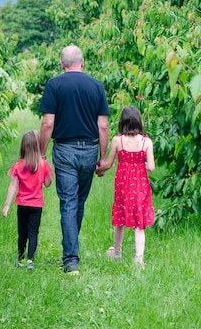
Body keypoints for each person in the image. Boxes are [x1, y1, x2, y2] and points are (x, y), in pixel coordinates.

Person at [39, 45, 110, 275]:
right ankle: (71, 251)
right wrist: (102, 159)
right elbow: (103, 125)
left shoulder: (54, 84)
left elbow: (48, 123)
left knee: (68, 203)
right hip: (89, 150)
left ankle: (71, 259)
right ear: (83, 62)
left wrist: (41, 154)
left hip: (65, 150)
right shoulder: (96, 86)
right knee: (78, 203)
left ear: (62, 64)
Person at [96, 105, 155, 267]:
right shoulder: (146, 142)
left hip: (122, 185)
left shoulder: (117, 140)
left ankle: (117, 252)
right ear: (139, 122)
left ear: (122, 122)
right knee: (139, 221)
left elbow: (108, 164)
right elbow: (151, 167)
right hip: (140, 185)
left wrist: (98, 170)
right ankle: (138, 258)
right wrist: (139, 162)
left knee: (120, 218)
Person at [2, 130, 53, 270]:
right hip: (36, 206)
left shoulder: (19, 165)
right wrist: (47, 171)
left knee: (22, 233)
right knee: (33, 233)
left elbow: (13, 185)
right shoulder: (43, 165)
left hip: (22, 205)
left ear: (23, 147)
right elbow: (48, 184)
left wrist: (6, 206)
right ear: (38, 146)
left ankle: (20, 258)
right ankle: (30, 260)